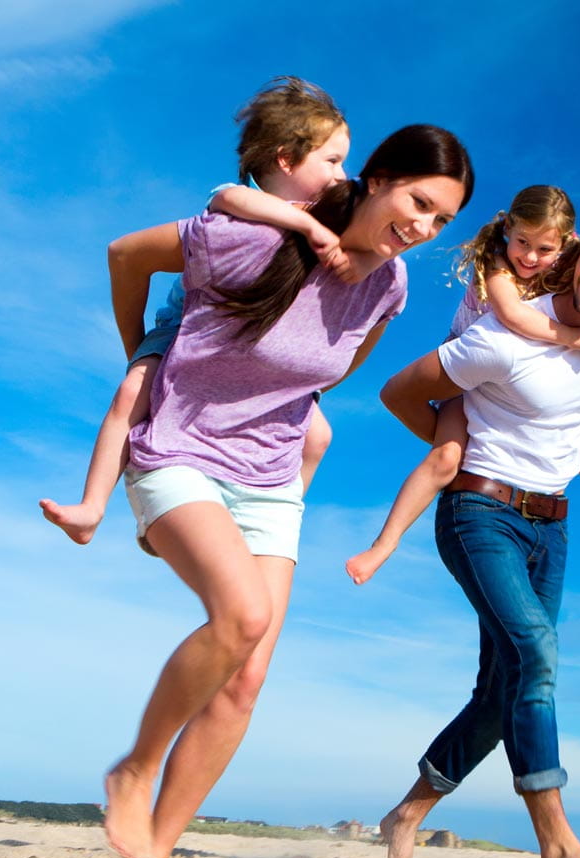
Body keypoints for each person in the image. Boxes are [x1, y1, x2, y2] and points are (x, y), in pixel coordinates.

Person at [100, 125, 475, 858]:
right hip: (179, 449)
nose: (424, 227)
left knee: (246, 678)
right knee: (242, 617)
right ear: (376, 178)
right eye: (418, 202)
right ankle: (135, 769)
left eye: (441, 220)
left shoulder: (389, 286)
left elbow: (329, 372)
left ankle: (155, 854)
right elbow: (125, 254)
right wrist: (142, 351)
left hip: (270, 477)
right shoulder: (257, 236)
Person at [372, 206, 580, 858]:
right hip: (479, 513)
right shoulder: (502, 338)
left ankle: (406, 816)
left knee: (503, 688)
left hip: (552, 528)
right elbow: (397, 393)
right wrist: (457, 450)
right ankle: (558, 848)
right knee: (535, 656)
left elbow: (574, 427)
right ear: (576, 253)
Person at [40, 77, 358, 545]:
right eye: (331, 160)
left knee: (318, 436)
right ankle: (91, 508)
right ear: (286, 159)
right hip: (186, 330)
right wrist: (306, 225)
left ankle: (262, 514)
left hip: (256, 350)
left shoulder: (325, 216)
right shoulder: (242, 201)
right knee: (132, 394)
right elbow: (229, 199)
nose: (341, 175)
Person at [345, 185, 580, 585]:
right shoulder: (498, 266)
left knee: (576, 434)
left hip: (506, 385)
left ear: (567, 243)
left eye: (544, 249)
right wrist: (573, 338)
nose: (530, 257)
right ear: (507, 228)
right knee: (446, 458)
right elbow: (512, 316)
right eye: (522, 242)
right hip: (464, 379)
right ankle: (383, 545)